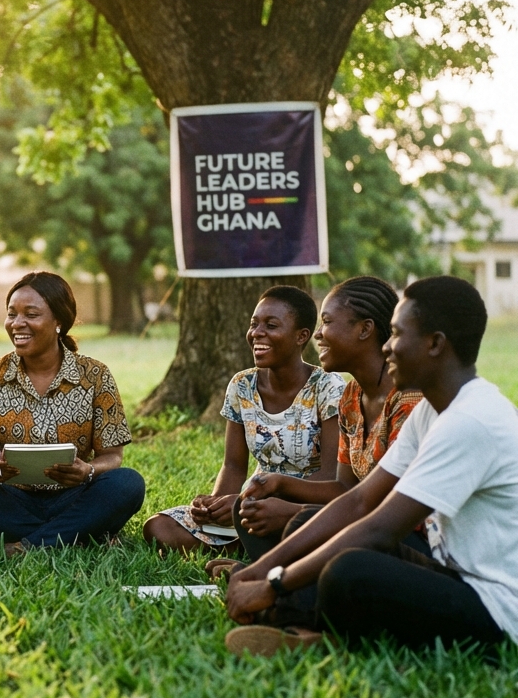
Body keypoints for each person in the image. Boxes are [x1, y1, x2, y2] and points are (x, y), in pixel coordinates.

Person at [225, 276, 518, 656]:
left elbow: (380, 527)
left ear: (435, 344)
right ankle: (305, 627)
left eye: (396, 334)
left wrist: (274, 582)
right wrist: (260, 568)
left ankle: (299, 620)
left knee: (350, 570)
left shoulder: (469, 420)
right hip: (450, 571)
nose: (388, 346)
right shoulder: (433, 410)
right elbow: (358, 499)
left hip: (495, 606)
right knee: (315, 529)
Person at [0, 271, 145, 554]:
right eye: (11, 314)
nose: (17, 323)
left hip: (74, 496)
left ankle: (23, 545)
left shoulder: (95, 375)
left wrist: (88, 471)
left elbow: (112, 456)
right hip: (12, 499)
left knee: (128, 484)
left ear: (59, 321)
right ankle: (78, 534)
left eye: (31, 314)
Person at [226, 276, 422, 564]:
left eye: (327, 322)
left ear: (364, 329)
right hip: (362, 521)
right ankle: (279, 571)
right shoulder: (351, 396)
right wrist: (278, 483)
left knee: (298, 522)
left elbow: (389, 510)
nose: (318, 334)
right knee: (252, 506)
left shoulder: (408, 401)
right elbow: (343, 488)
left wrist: (295, 512)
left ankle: (277, 574)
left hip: (404, 537)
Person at [143, 285, 344, 556]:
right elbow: (233, 465)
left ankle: (260, 545)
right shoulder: (242, 385)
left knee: (311, 527)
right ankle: (250, 544)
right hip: (253, 504)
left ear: (302, 336)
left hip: (304, 507)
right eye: (254, 324)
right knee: (159, 527)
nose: (257, 333)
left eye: (271, 325)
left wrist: (246, 502)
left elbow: (331, 475)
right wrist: (215, 506)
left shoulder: (328, 387)